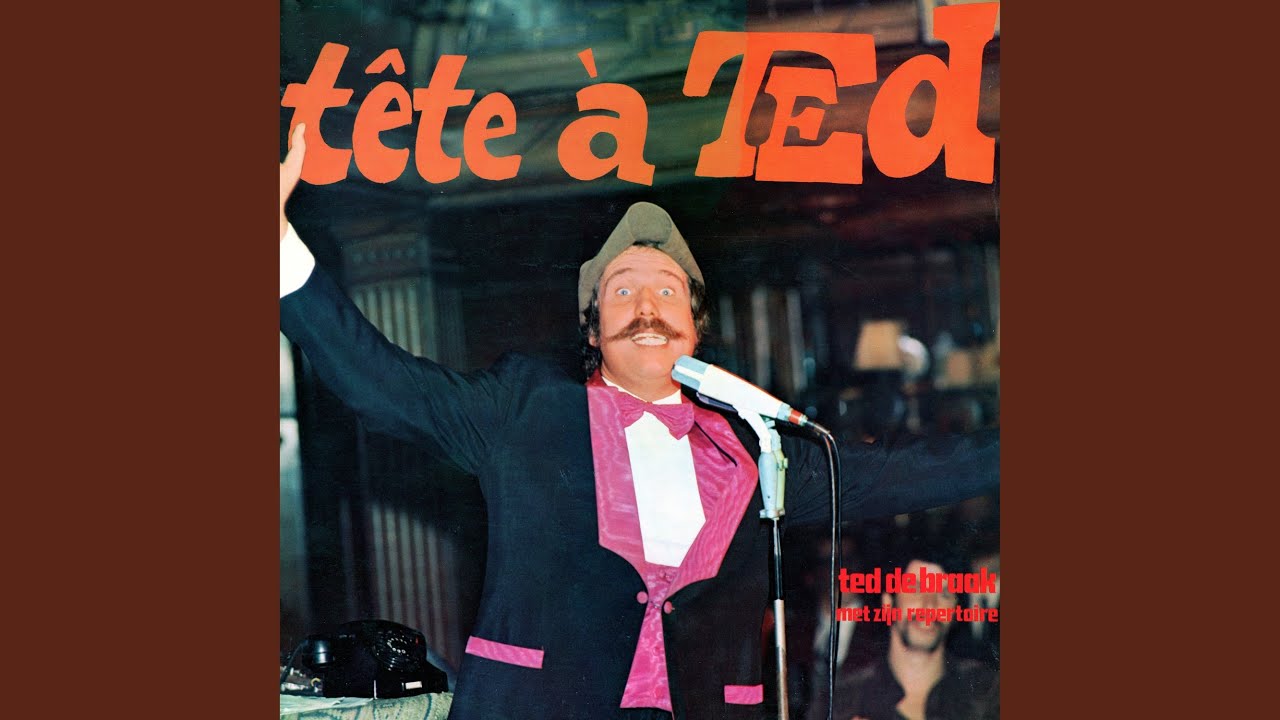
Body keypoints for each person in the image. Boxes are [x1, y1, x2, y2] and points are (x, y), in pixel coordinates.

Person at [278, 126, 999, 720]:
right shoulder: (522, 411)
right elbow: (378, 382)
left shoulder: (759, 450)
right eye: (622, 291)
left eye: (667, 291)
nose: (647, 306)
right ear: (594, 330)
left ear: (696, 326)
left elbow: (909, 473)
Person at [829, 553, 999, 720]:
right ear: (888, 604)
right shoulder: (843, 701)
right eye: (916, 589)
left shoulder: (989, 693)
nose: (929, 605)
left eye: (944, 594)